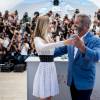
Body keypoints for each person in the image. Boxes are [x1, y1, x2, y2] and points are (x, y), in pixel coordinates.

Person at [54, 14, 100, 100]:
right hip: (72, 81)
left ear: (86, 26)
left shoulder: (95, 40)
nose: (73, 25)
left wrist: (82, 47)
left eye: (76, 23)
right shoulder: (72, 37)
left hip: (85, 82)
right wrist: (45, 51)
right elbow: (60, 50)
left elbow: (96, 57)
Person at [32, 15, 73, 100]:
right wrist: (63, 42)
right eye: (50, 23)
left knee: (50, 95)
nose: (51, 25)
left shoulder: (48, 37)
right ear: (44, 25)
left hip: (51, 67)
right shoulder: (37, 39)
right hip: (44, 68)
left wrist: (59, 40)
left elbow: (53, 49)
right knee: (43, 95)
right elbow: (43, 47)